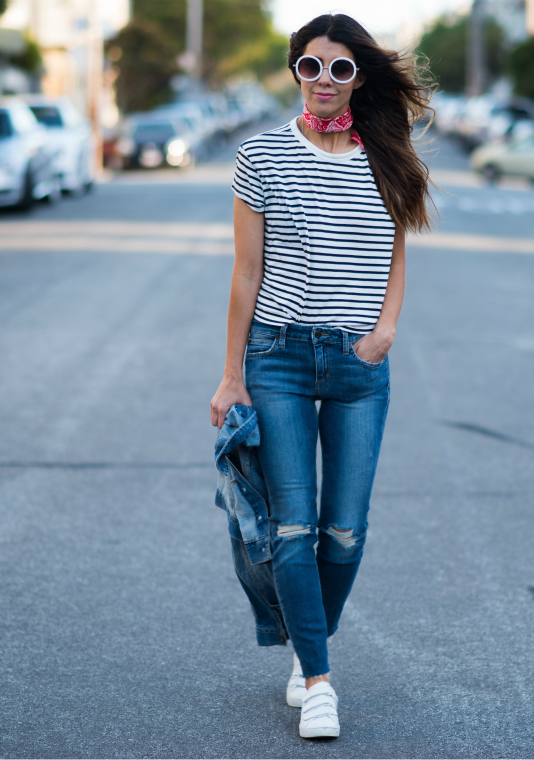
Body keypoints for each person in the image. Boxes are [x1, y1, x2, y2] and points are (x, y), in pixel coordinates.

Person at [209, 13, 434, 740]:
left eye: (340, 68)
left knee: (343, 531)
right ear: (295, 72)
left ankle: (309, 643)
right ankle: (318, 678)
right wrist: (229, 376)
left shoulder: (390, 158)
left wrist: (385, 331)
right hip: (275, 356)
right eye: (311, 66)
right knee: (292, 527)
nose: (326, 80)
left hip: (357, 363)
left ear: (359, 77)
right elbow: (246, 273)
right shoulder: (262, 155)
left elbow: (396, 255)